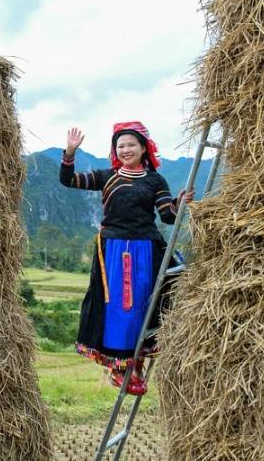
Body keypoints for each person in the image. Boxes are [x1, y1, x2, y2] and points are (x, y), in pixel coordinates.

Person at [59, 121, 193, 395]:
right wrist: (70, 153)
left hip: (147, 247)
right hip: (115, 251)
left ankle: (137, 364)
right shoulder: (107, 176)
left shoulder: (155, 180)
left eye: (131, 144)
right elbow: (68, 180)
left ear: (144, 148)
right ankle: (119, 368)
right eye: (120, 145)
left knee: (147, 302)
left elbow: (166, 215)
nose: (126, 149)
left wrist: (179, 204)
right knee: (122, 305)